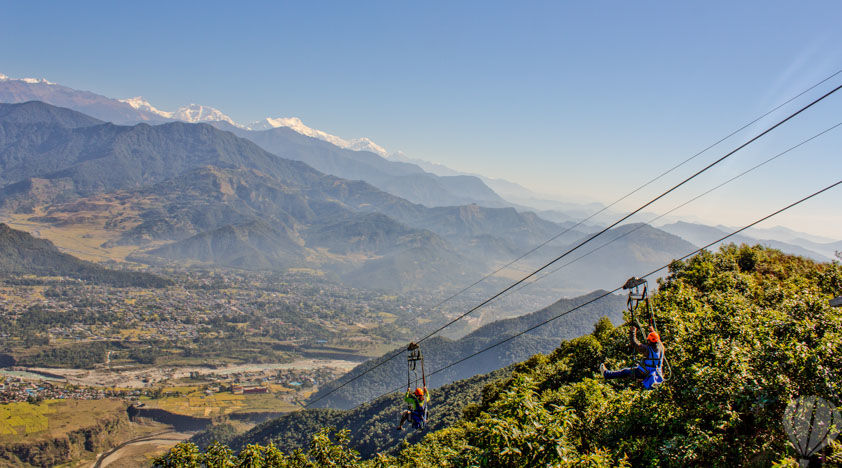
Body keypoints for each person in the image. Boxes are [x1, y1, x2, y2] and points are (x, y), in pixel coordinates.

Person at [599, 324, 664, 389]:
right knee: (627, 372)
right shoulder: (661, 347)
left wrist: (632, 332)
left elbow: (634, 343)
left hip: (643, 372)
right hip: (656, 373)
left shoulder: (647, 349)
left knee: (625, 372)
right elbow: (658, 340)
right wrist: (652, 331)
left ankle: (607, 374)